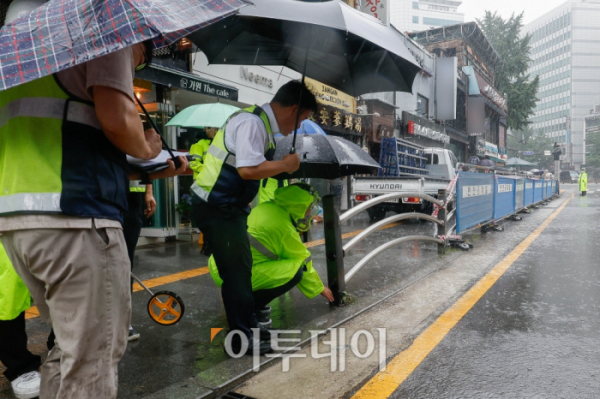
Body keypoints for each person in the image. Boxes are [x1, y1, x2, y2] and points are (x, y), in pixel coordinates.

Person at [0, 40, 188, 399]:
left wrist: (148, 172)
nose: (138, 62)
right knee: (94, 356)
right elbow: (117, 120)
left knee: (72, 350)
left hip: (19, 220)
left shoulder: (20, 54)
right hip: (76, 218)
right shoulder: (107, 34)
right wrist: (148, 147)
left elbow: (68, 138)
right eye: (143, 56)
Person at [191, 80, 317, 355]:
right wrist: (284, 165)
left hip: (228, 207)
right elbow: (248, 170)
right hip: (216, 206)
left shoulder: (259, 124)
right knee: (236, 274)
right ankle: (241, 339)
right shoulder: (252, 123)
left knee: (241, 270)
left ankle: (249, 330)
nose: (298, 127)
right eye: (303, 118)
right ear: (293, 109)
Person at [208, 184, 334, 327]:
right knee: (296, 270)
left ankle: (246, 301)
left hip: (220, 265)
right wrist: (320, 288)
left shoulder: (267, 207)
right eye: (309, 206)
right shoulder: (283, 228)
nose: (310, 211)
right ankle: (249, 306)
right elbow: (302, 259)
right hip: (234, 275)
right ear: (298, 205)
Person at [123, 180, 156, 341]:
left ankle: (123, 321)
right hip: (100, 190)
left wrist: (148, 191)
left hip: (133, 196)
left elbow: (147, 161)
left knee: (125, 263)